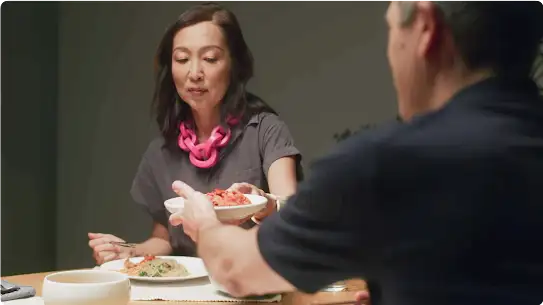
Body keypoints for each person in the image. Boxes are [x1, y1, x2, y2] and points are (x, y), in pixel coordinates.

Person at [168, 1, 543, 305]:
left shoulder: (387, 164)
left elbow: (236, 269)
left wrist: (206, 223)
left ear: (426, 28)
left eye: (393, 27)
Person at [87, 2, 303, 265]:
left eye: (210, 59)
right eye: (182, 59)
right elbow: (165, 238)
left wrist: (265, 205)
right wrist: (129, 252)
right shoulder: (161, 151)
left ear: (234, 66)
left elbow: (292, 214)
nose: (194, 73)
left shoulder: (266, 130)